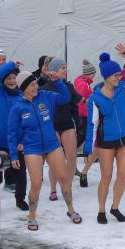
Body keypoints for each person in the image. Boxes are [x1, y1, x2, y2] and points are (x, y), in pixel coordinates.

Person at [8, 70, 81, 230]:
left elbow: (65, 98)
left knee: (64, 179)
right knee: (36, 183)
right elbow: (12, 133)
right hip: (32, 148)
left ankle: (71, 210)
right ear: (24, 88)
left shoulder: (46, 96)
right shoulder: (17, 107)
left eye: (36, 83)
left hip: (52, 145)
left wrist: (58, 82)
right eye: (32, 85)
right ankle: (32, 216)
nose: (36, 87)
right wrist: (13, 155)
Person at [84, 43, 125, 224]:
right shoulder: (95, 98)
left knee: (122, 175)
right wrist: (88, 148)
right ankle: (101, 210)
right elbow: (92, 124)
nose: (120, 77)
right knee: (106, 177)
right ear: (106, 77)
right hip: (106, 142)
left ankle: (115, 207)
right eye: (116, 75)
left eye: (120, 74)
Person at [0, 60, 29, 211]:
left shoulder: (23, 97)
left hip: (15, 143)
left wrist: (23, 141)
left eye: (14, 78)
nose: (11, 81)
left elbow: (26, 122)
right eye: (8, 78)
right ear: (3, 80)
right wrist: (11, 65)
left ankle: (20, 199)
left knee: (20, 173)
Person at [43, 57, 82, 202]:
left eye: (66, 67)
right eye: (62, 68)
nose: (65, 70)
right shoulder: (45, 88)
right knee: (55, 160)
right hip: (52, 127)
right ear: (54, 71)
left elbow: (74, 107)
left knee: (71, 158)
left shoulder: (69, 87)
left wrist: (79, 124)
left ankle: (68, 187)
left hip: (67, 126)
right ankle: (53, 189)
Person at [74, 59, 98, 187]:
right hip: (83, 114)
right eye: (93, 73)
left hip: (84, 114)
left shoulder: (85, 83)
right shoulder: (83, 84)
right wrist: (84, 111)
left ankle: (80, 154)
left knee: (83, 135)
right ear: (89, 74)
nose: (94, 76)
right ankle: (71, 151)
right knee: (82, 135)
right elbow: (80, 100)